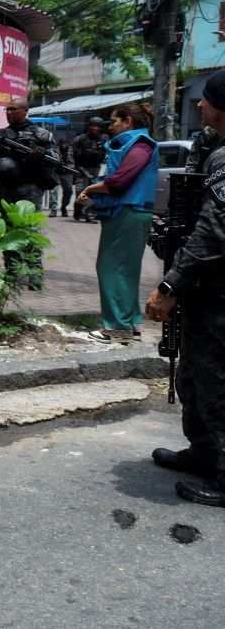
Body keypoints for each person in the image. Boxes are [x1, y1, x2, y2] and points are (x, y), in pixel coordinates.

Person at [145, 70, 225, 508]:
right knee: (195, 373)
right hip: (206, 288)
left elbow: (215, 231)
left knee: (217, 381)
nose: (198, 104)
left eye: (207, 99)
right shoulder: (210, 147)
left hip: (217, 290)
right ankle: (203, 453)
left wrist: (170, 283)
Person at [77, 104, 158, 343]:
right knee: (125, 270)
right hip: (126, 211)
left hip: (129, 211)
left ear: (128, 121)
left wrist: (92, 187)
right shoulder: (133, 144)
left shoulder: (140, 144)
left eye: (113, 121)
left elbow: (120, 181)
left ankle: (115, 328)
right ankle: (130, 325)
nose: (109, 126)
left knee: (112, 268)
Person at [0, 97, 59, 290]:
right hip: (5, 189)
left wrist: (39, 156)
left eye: (13, 109)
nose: (9, 113)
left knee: (30, 231)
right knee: (7, 232)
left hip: (30, 188)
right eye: (7, 109)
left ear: (25, 111)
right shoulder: (0, 135)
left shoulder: (42, 134)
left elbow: (56, 159)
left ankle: (35, 273)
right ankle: (13, 272)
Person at [70, 117, 109, 222]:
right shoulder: (80, 139)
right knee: (80, 191)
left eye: (97, 126)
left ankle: (88, 214)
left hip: (96, 168)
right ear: (89, 126)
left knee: (93, 192)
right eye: (93, 125)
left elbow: (107, 154)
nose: (95, 128)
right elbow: (73, 156)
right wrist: (77, 169)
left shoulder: (103, 140)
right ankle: (78, 211)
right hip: (81, 169)